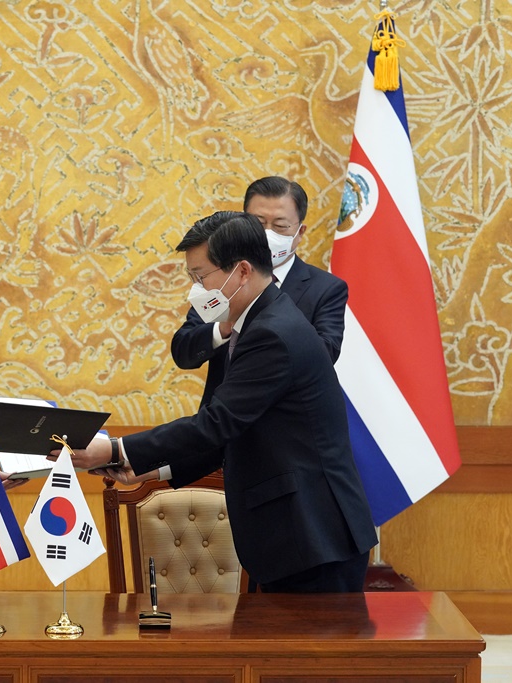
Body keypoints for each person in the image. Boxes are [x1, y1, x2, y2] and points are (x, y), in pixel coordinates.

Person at [69, 211, 376, 593]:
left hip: (313, 537)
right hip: (299, 539)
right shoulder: (261, 323)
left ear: (242, 271)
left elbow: (217, 423)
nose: (196, 290)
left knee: (308, 654)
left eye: (201, 277)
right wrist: (152, 471)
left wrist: (116, 448)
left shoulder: (273, 334)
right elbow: (235, 432)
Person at [170, 176, 347, 414]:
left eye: (280, 226)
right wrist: (224, 327)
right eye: (258, 223)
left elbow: (323, 355)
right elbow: (184, 352)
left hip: (279, 430)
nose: (266, 234)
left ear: (300, 231)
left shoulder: (326, 288)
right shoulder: (219, 280)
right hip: (218, 427)